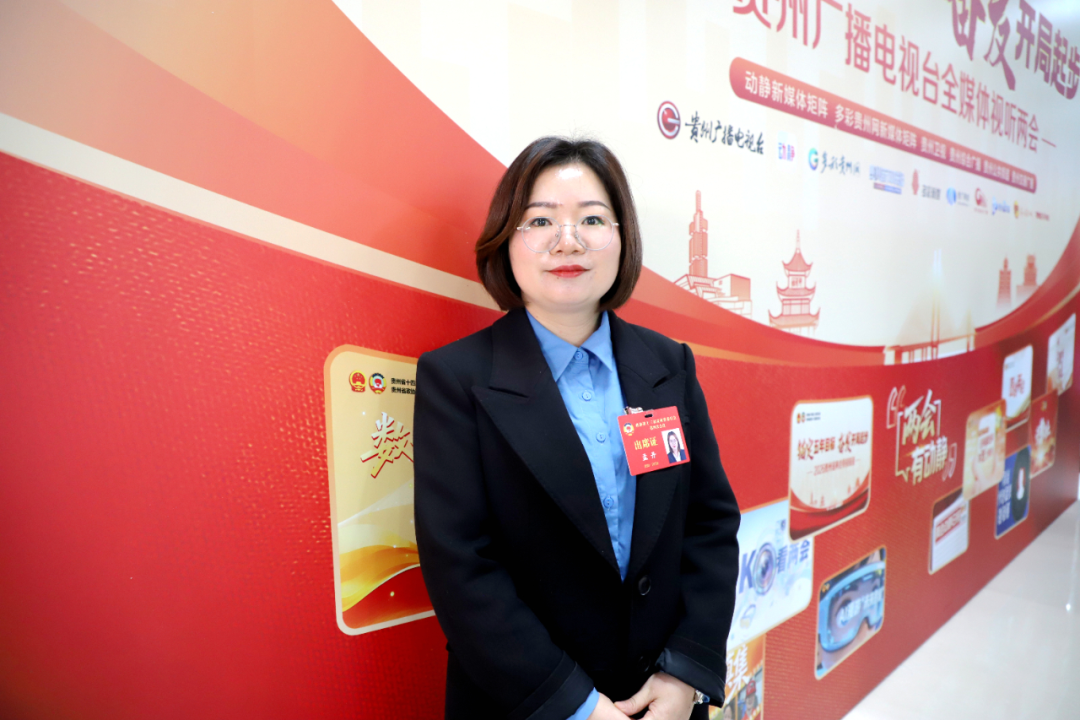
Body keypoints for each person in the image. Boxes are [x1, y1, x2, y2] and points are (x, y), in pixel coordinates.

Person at [414, 137, 741, 720]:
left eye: (591, 219)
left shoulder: (669, 365)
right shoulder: (456, 378)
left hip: (658, 701)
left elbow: (709, 524)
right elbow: (460, 565)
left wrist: (685, 673)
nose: (568, 241)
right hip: (527, 702)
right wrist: (578, 707)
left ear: (622, 238)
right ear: (506, 241)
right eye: (540, 221)